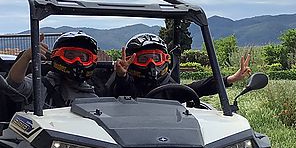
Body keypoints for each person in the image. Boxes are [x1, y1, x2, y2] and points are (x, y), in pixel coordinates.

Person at [108, 33, 251, 98]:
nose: (151, 64)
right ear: (130, 60)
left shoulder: (169, 88)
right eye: (143, 59)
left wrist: (230, 79)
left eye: (155, 58)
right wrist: (122, 75)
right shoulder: (122, 84)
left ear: (165, 60)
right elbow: (124, 89)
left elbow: (198, 87)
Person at [6, 31, 98, 108]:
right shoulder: (41, 84)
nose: (77, 61)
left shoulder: (93, 93)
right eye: (70, 55)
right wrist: (26, 57)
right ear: (57, 55)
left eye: (82, 57)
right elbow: (14, 85)